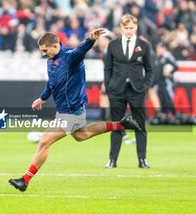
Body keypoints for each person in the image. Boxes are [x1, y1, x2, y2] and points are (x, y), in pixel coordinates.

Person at [8, 29, 141, 192]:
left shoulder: (71, 57)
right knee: (82, 135)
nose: (43, 54)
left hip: (72, 110)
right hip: (65, 110)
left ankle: (25, 180)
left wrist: (90, 40)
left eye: (45, 50)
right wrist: (42, 98)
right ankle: (121, 125)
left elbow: (81, 50)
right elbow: (52, 83)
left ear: (55, 46)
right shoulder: (51, 59)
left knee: (45, 140)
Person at [104, 14, 153, 168]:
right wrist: (109, 86)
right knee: (116, 126)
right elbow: (108, 68)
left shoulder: (144, 46)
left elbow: (150, 69)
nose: (129, 31)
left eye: (131, 28)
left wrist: (145, 87)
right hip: (117, 90)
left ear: (136, 27)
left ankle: (142, 160)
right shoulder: (112, 45)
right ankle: (112, 160)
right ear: (121, 28)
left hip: (137, 90)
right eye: (126, 28)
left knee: (140, 125)